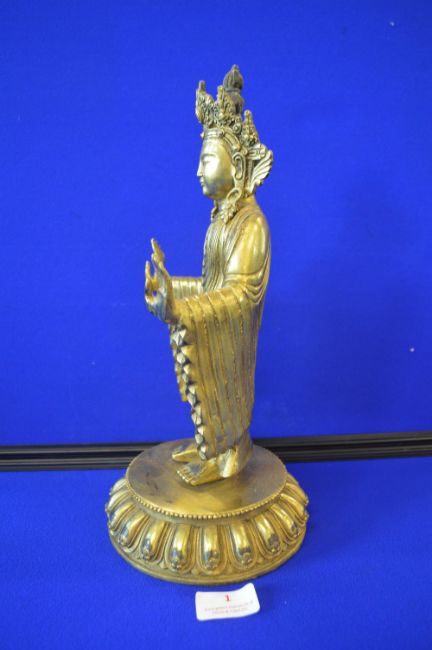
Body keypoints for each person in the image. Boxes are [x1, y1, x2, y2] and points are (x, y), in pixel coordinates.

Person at [145, 65, 273, 485]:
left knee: (227, 390)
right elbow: (210, 287)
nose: (198, 171)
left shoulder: (251, 224)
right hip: (216, 323)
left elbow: (237, 296)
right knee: (208, 390)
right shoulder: (220, 222)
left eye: (206, 160)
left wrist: (184, 309)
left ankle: (231, 453)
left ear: (236, 165)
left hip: (232, 336)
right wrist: (172, 291)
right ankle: (212, 447)